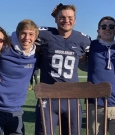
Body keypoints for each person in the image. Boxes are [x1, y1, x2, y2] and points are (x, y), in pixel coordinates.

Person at [34, 4, 90, 135]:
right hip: (48, 97)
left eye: (70, 17)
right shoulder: (44, 34)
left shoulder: (83, 39)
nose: (66, 20)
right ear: (55, 19)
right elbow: (20, 34)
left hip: (72, 98)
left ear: (75, 20)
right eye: (62, 17)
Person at [79, 16, 115, 135]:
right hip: (95, 104)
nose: (108, 29)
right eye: (104, 26)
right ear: (98, 31)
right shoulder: (91, 46)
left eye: (111, 26)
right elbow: (81, 63)